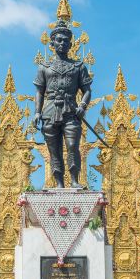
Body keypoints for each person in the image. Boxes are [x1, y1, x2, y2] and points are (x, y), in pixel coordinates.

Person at [33, 19, 92, 188]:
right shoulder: (44, 67)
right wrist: (37, 112)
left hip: (71, 110)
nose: (62, 43)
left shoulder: (78, 66)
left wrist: (82, 106)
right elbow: (39, 91)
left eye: (66, 40)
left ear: (71, 43)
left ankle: (74, 180)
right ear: (52, 43)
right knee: (54, 149)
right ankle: (59, 182)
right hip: (51, 110)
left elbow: (87, 90)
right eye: (58, 40)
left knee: (73, 145)